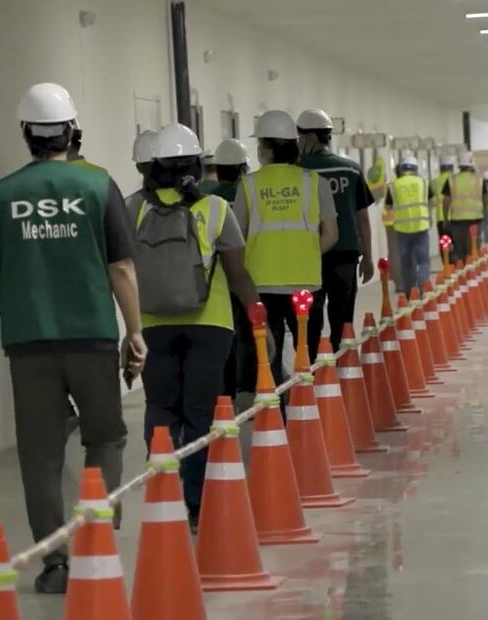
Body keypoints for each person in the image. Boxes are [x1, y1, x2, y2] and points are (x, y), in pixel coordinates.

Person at [0, 83, 145, 594]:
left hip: (29, 346)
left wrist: (10, 307)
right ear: (70, 131)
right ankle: (96, 539)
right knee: (104, 437)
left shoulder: (0, 194)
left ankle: (55, 563)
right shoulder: (98, 185)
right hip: (92, 338)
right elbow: (122, 268)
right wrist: (135, 331)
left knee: (40, 455)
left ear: (26, 133)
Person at [129, 124, 260, 532]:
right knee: (199, 412)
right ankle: (196, 504)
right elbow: (238, 274)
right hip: (211, 324)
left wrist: (128, 328)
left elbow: (119, 269)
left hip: (152, 324)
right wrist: (258, 319)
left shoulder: (133, 208)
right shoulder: (216, 209)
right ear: (196, 166)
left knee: (160, 407)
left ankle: (162, 493)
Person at [232, 109, 338, 383]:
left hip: (261, 282)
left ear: (265, 148)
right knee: (307, 352)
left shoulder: (248, 185)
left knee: (269, 355)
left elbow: (237, 237)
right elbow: (331, 234)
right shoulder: (315, 182)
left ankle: (275, 406)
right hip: (306, 281)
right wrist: (309, 254)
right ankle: (310, 400)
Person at [296, 108, 375, 358]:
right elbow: (363, 218)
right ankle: (344, 367)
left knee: (310, 319)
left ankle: (310, 368)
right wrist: (368, 257)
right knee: (343, 319)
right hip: (346, 255)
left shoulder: (296, 171)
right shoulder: (351, 170)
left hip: (310, 256)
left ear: (308, 137)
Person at [204, 139, 255, 400]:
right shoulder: (248, 194)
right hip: (245, 274)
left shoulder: (207, 197)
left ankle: (226, 392)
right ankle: (247, 388)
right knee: (248, 333)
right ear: (243, 168)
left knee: (225, 336)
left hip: (215, 279)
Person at [384, 155, 433, 296]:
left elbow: (388, 207)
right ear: (415, 169)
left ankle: (409, 292)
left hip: (402, 230)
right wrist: (428, 214)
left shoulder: (394, 185)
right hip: (421, 227)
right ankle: (423, 287)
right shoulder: (423, 182)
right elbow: (432, 201)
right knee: (423, 261)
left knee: (406, 263)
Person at [441, 152, 488, 262]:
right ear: (471, 164)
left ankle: (462, 269)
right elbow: (486, 198)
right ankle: (474, 270)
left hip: (457, 221)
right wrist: (484, 212)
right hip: (476, 219)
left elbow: (446, 202)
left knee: (459, 249)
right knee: (474, 249)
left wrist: (445, 218)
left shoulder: (451, 180)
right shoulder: (480, 180)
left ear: (459, 165)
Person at [432, 156, 456, 238]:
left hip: (440, 218)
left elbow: (432, 200)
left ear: (440, 168)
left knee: (444, 241)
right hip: (455, 217)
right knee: (457, 241)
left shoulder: (434, 182)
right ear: (452, 168)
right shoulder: (455, 180)